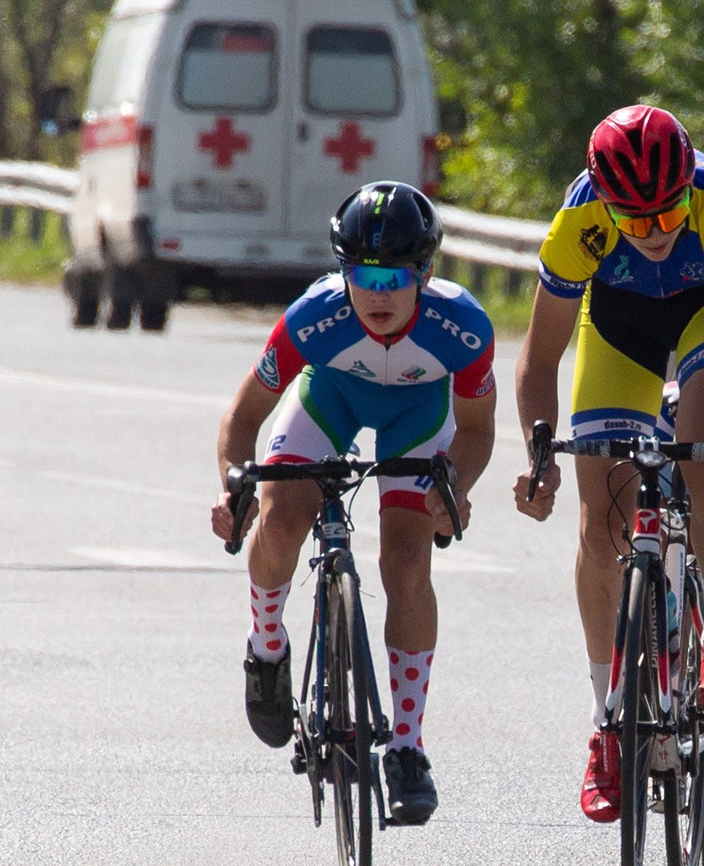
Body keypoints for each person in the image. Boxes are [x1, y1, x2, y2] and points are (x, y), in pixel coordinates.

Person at [511, 105, 704, 825]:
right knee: (599, 521)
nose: (659, 232)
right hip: (620, 326)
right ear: (607, 204)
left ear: (689, 189)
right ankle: (607, 723)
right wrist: (539, 451)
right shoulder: (579, 223)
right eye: (636, 222)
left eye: (669, 213)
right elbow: (540, 358)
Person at [208, 181, 496, 825]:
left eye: (396, 274)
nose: (380, 292)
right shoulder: (315, 316)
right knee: (282, 519)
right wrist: (233, 482)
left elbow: (476, 431)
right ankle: (267, 645)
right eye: (364, 274)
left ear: (424, 272)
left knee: (406, 561)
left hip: (418, 418)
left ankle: (407, 748)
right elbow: (242, 416)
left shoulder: (464, 328)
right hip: (329, 402)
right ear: (344, 271)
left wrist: (458, 489)